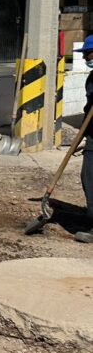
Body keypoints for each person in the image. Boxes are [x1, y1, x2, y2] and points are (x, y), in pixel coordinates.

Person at [77, 35, 93, 243]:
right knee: (88, 176)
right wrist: (81, 134)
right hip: (92, 135)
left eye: (88, 54)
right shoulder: (91, 78)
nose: (86, 58)